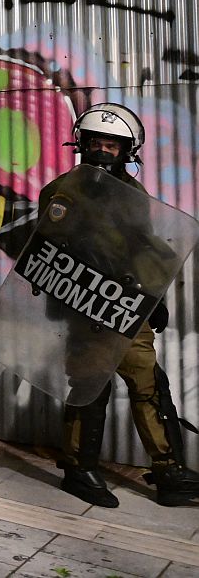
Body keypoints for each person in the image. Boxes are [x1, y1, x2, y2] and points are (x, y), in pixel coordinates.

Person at [40, 102, 199, 508]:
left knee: (149, 382)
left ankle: (169, 472)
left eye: (112, 144)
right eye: (96, 142)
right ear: (82, 143)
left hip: (129, 304)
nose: (103, 150)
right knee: (91, 384)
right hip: (88, 307)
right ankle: (79, 469)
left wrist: (154, 295)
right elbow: (48, 252)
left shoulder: (133, 193)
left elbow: (141, 245)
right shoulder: (62, 191)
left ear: (127, 150)